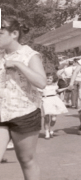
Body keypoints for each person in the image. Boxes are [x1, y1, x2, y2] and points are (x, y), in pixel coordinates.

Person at [0, 17, 47, 180]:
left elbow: (41, 82)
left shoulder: (30, 55)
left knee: (26, 160)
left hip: (24, 114)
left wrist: (19, 65)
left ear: (14, 33)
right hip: (1, 114)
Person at [41, 73, 69, 139]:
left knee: (53, 119)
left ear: (52, 79)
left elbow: (58, 90)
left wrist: (66, 88)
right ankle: (47, 132)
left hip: (54, 100)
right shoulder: (42, 86)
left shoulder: (54, 86)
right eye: (47, 78)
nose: (48, 80)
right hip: (45, 100)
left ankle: (51, 129)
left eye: (50, 78)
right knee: (46, 118)